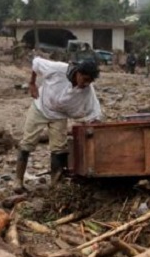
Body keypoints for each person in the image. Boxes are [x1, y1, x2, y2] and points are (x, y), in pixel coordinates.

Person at [16, 57, 102, 191]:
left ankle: (56, 184)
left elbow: (95, 111)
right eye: (84, 79)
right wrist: (32, 83)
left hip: (60, 115)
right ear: (78, 73)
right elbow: (36, 63)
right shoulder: (57, 69)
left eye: (89, 81)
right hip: (41, 107)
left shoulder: (88, 90)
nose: (86, 84)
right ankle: (18, 181)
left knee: (59, 148)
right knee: (27, 143)